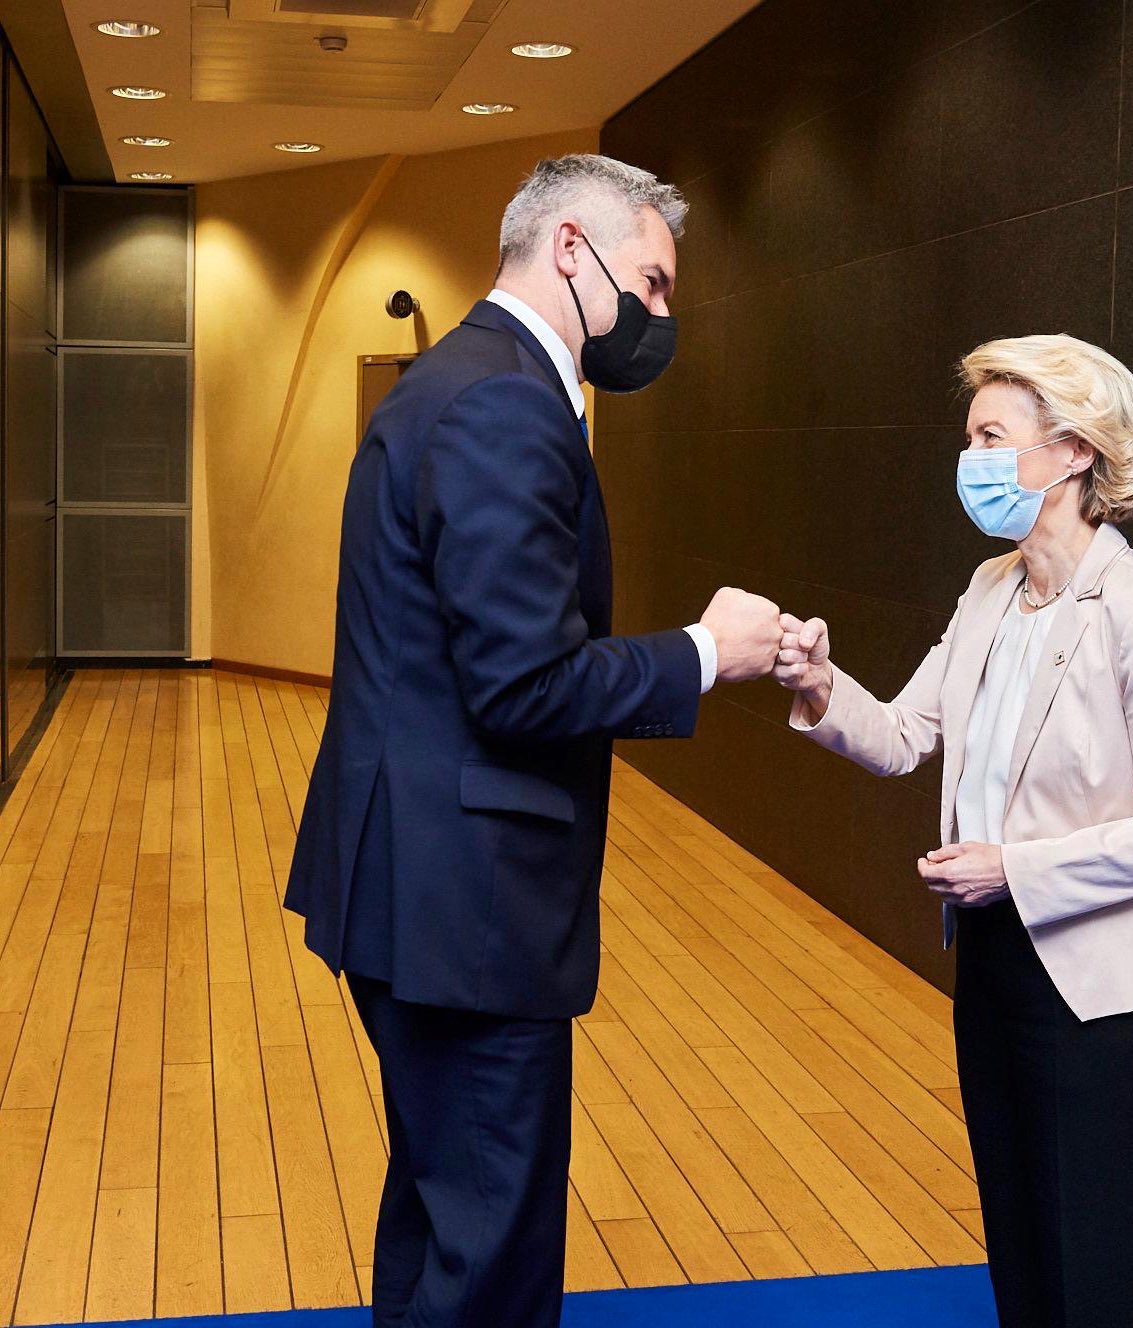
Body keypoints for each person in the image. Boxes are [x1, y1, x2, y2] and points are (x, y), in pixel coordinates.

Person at [284, 154, 782, 1328]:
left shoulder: (456, 380)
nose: (661, 316)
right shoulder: (504, 402)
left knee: (444, 1214)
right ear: (570, 247)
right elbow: (522, 684)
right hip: (464, 905)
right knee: (492, 1254)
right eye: (652, 284)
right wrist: (706, 650)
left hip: (418, 887)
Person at [772, 334, 1133, 1328]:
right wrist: (817, 682)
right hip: (994, 962)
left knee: (1093, 1282)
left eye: (990, 436)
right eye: (970, 436)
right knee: (1022, 1257)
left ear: (1073, 450)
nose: (969, 458)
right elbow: (904, 734)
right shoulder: (990, 588)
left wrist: (1013, 869)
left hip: (1108, 995)